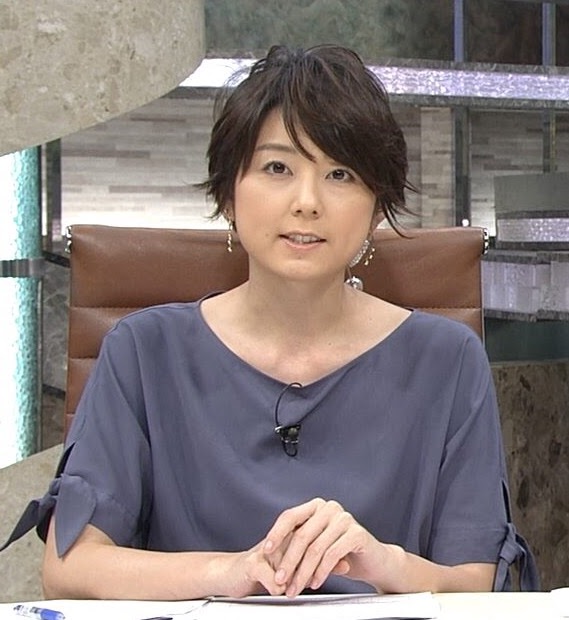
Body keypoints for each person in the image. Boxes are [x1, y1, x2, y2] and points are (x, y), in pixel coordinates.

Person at [2, 44, 538, 599]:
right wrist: (232, 572)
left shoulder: (448, 361)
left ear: (377, 208)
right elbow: (70, 566)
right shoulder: (142, 351)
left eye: (340, 173)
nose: (307, 202)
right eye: (277, 167)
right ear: (228, 194)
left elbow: (474, 584)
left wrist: (385, 563)